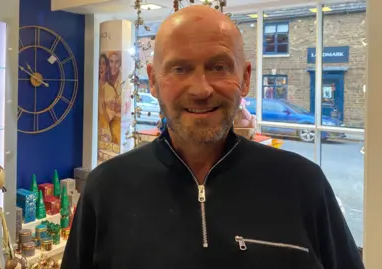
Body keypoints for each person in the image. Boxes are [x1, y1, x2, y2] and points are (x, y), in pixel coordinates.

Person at [62, 5, 364, 269]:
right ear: (153, 81)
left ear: (245, 78)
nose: (201, 89)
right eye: (180, 69)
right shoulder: (106, 190)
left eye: (218, 67)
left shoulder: (304, 186)